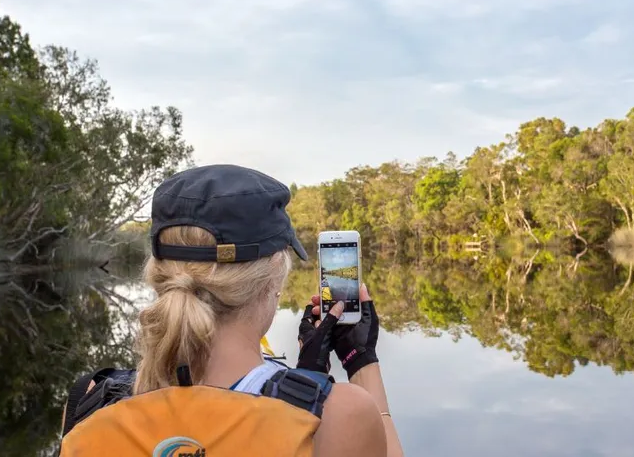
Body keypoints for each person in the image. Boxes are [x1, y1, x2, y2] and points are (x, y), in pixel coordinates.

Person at [59, 164, 404, 457]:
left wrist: (307, 376)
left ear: (159, 275)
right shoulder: (338, 416)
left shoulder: (91, 400)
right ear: (272, 276)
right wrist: (361, 361)